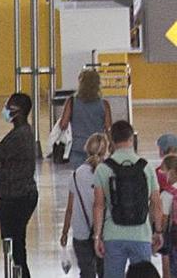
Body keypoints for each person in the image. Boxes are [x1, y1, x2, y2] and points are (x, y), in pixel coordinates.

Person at [93, 120, 164, 278]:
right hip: (141, 234)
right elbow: (156, 203)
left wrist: (97, 236)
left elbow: (98, 206)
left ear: (111, 140)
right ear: (132, 139)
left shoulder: (103, 168)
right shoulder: (146, 167)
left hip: (113, 234)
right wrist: (158, 231)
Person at [0, 93, 39, 278]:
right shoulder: (21, 133)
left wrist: (2, 164)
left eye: (9, 107)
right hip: (17, 194)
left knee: (15, 244)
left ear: (17, 111)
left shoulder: (19, 136)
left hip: (16, 197)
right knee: (16, 243)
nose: (6, 110)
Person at [63, 132, 111, 278]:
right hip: (105, 232)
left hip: (81, 233)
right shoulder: (109, 172)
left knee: (86, 272)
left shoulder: (76, 174)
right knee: (105, 271)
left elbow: (70, 208)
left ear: (86, 149)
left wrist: (65, 232)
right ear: (106, 150)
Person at [60, 69, 115, 168]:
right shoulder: (104, 104)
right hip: (98, 147)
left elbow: (63, 124)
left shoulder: (72, 102)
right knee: (98, 176)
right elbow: (108, 128)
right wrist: (111, 143)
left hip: (77, 147)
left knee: (79, 176)